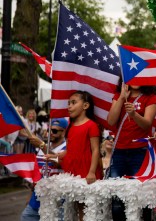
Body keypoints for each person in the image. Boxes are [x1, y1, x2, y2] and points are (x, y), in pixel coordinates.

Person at [106, 83, 156, 221]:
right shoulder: (119, 96)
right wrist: (122, 98)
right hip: (119, 152)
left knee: (142, 197)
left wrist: (134, 114)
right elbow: (111, 121)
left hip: (140, 153)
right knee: (117, 198)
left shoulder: (151, 98)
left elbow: (147, 124)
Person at [52, 92, 102, 221]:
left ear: (85, 105)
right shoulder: (70, 126)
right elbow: (68, 150)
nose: (69, 106)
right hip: (72, 171)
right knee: (75, 206)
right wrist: (53, 156)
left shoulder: (91, 125)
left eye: (73, 103)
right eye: (68, 103)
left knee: (86, 208)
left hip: (86, 170)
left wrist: (91, 172)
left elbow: (96, 150)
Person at [21, 118, 68, 221]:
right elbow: (37, 175)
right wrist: (30, 196)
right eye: (49, 130)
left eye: (54, 131)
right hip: (36, 201)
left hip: (57, 203)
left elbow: (59, 162)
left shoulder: (67, 148)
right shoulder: (42, 149)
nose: (50, 133)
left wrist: (42, 145)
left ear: (63, 132)